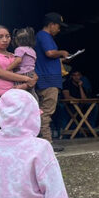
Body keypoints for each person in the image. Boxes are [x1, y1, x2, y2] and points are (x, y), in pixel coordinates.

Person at [0, 25, 37, 128]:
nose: (5, 40)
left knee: (24, 130)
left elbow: (31, 72)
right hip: (3, 96)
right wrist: (27, 79)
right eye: (0, 37)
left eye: (7, 36)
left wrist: (27, 84)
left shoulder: (15, 55)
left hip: (21, 94)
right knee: (5, 130)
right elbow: (0, 73)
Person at [35, 12, 71, 152]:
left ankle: (42, 140)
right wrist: (62, 52)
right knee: (46, 111)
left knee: (42, 110)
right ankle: (47, 142)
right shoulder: (44, 36)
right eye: (58, 26)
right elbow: (50, 53)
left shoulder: (41, 36)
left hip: (45, 78)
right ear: (51, 25)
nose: (59, 30)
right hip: (48, 80)